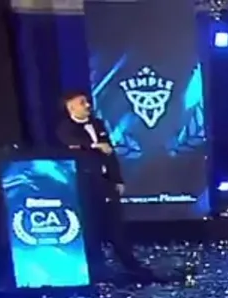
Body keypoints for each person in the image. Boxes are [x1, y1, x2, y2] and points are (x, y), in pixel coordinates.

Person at [55, 90, 155, 281]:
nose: (87, 105)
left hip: (106, 182)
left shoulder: (98, 124)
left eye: (87, 101)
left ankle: (131, 266)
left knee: (116, 226)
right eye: (82, 102)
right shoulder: (65, 128)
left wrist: (117, 179)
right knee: (91, 228)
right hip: (85, 186)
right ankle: (96, 269)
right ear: (71, 107)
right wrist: (95, 146)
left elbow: (110, 153)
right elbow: (72, 143)